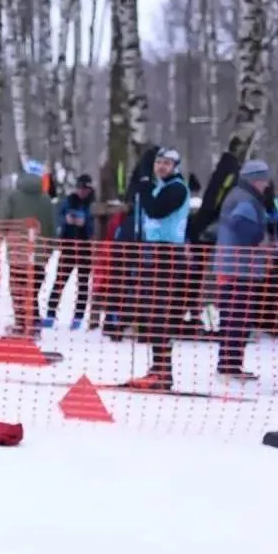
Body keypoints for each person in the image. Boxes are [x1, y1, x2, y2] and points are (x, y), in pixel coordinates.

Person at [124, 146, 191, 391]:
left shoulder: (176, 188)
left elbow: (156, 209)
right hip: (153, 251)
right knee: (152, 310)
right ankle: (158, 366)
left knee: (160, 310)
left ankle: (163, 369)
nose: (161, 167)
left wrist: (144, 185)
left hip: (167, 253)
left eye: (166, 164)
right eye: (158, 163)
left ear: (175, 167)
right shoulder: (161, 187)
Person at [212, 159, 272, 380]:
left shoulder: (238, 195)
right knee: (238, 317)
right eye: (264, 179)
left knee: (232, 317)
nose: (266, 184)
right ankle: (230, 366)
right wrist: (259, 238)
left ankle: (228, 363)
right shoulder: (247, 199)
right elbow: (241, 224)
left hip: (232, 266)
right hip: (240, 269)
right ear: (255, 179)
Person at [0, 159, 56, 335]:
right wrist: (48, 250)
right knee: (32, 288)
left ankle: (22, 325)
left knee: (19, 289)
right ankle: (33, 321)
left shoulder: (13, 196)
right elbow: (52, 227)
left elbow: (0, 219)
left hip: (18, 253)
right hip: (40, 255)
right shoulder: (46, 199)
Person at [44, 174, 95, 330]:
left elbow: (95, 227)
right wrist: (65, 221)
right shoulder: (68, 201)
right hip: (68, 247)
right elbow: (57, 217)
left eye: (85, 188)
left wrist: (85, 223)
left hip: (86, 248)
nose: (82, 191)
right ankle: (50, 314)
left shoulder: (93, 204)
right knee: (59, 281)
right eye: (80, 188)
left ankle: (78, 318)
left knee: (83, 285)